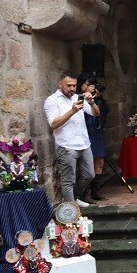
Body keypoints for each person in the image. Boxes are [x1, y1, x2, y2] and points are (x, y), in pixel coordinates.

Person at [44, 71, 100, 208]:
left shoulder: (77, 97)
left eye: (74, 85)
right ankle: (71, 212)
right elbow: (53, 124)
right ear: (60, 84)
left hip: (84, 143)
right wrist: (72, 111)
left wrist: (91, 102)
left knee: (89, 175)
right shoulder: (52, 101)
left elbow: (96, 113)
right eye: (68, 85)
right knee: (69, 180)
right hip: (66, 145)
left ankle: (73, 199)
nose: (72, 88)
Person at [77, 73, 110, 203]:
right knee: (87, 165)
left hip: (95, 132)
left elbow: (103, 112)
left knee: (99, 161)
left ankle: (95, 190)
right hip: (85, 133)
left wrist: (98, 99)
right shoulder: (77, 97)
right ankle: (85, 193)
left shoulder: (94, 98)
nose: (90, 87)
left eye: (92, 85)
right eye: (87, 84)